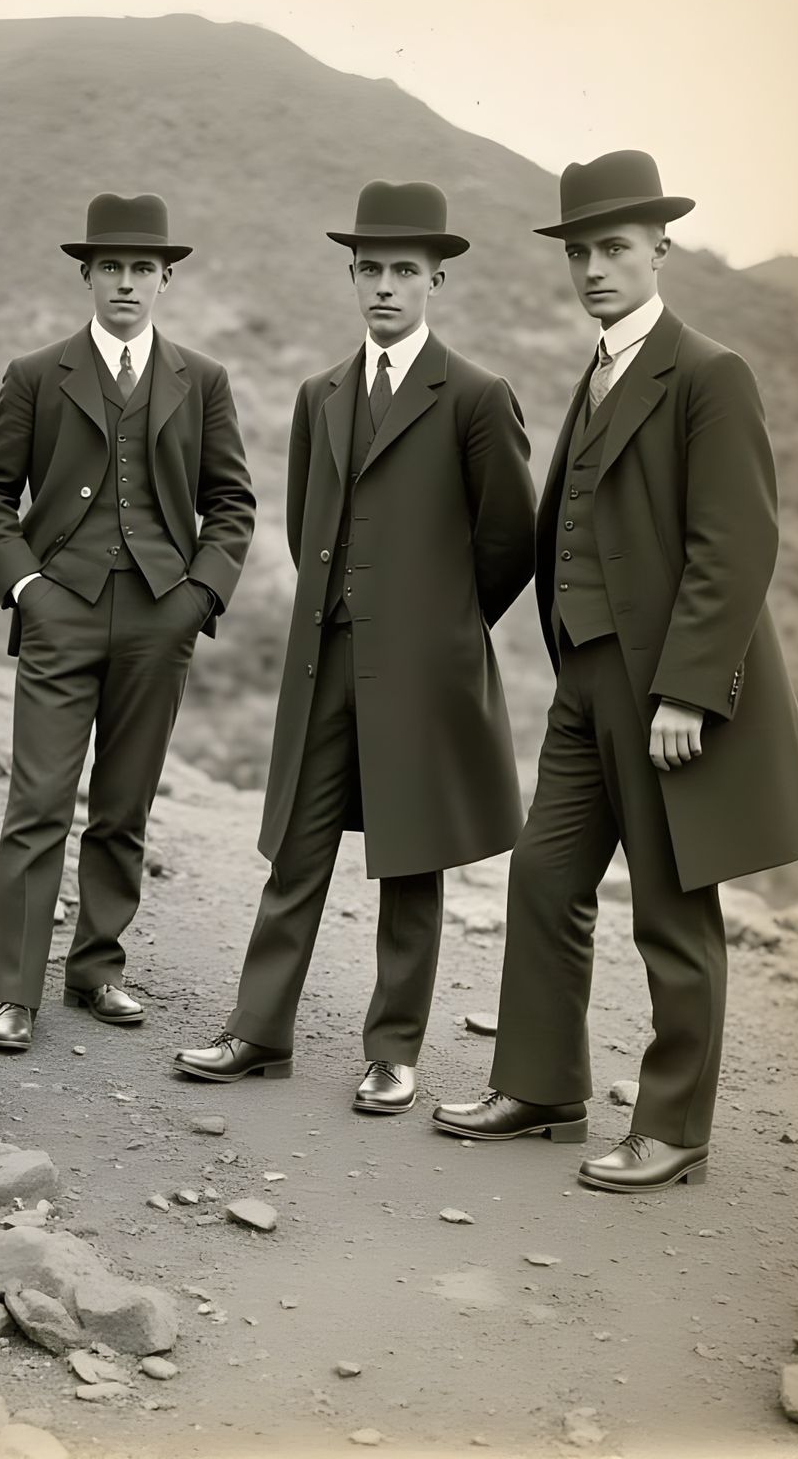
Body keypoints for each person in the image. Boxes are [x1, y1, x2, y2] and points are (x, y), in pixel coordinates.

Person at [432, 149, 798, 1191]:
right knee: (543, 875)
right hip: (585, 681)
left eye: (613, 247)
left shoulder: (706, 371)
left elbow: (734, 545)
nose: (594, 268)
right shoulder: (600, 367)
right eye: (579, 251)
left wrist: (690, 690)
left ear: (661, 247)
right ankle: (541, 1087)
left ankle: (673, 1125)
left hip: (662, 690)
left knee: (669, 905)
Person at [173, 181, 535, 1111]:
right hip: (324, 660)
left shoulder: (478, 397)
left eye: (403, 271)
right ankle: (257, 1032)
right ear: (351, 276)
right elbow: (305, 529)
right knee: (297, 848)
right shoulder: (319, 393)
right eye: (370, 269)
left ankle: (394, 1051)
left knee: (411, 858)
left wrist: (440, 629)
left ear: (435, 280)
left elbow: (509, 544)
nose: (384, 286)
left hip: (422, 672)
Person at [0, 193, 255, 1053]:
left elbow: (230, 503)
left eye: (142, 269)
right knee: (39, 802)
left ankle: (98, 970)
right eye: (111, 268)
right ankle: (15, 992)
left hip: (160, 618)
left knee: (123, 807)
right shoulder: (35, 373)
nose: (126, 282)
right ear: (87, 276)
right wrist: (26, 589)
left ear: (166, 278)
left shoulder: (202, 381)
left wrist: (196, 600)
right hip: (62, 614)